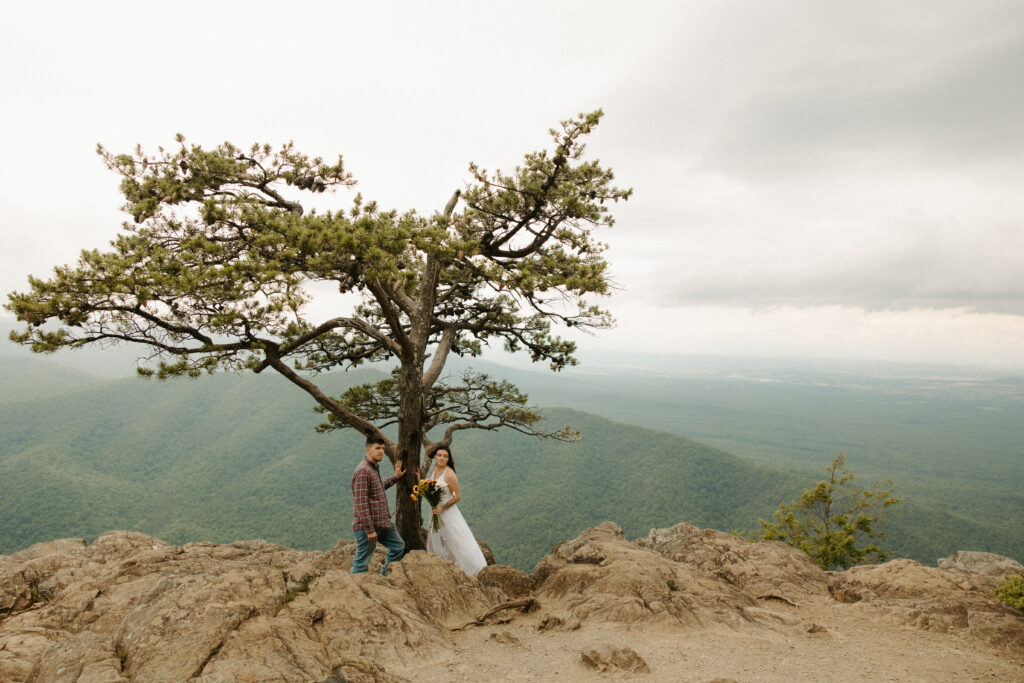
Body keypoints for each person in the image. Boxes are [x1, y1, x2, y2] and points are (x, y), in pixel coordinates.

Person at [425, 446, 488, 576]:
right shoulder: (434, 469)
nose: (442, 458)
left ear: (449, 459)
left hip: (447, 512)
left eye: (445, 456)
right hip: (434, 510)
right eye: (439, 455)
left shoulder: (449, 474)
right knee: (437, 537)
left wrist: (443, 507)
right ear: (435, 457)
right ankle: (441, 564)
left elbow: (457, 496)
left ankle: (470, 569)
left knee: (455, 539)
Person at [351, 434, 406, 576]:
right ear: (368, 450)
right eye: (377, 448)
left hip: (382, 522)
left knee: (398, 546)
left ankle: (383, 576)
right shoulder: (363, 470)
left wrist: (396, 477)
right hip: (367, 527)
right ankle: (356, 591)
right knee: (361, 563)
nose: (381, 451)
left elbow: (378, 488)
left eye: (382, 448)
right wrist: (369, 530)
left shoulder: (373, 468)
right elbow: (361, 503)